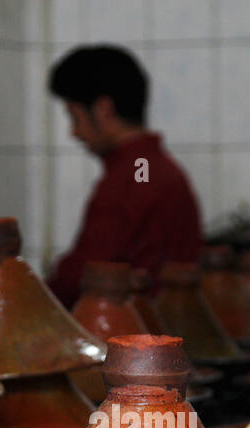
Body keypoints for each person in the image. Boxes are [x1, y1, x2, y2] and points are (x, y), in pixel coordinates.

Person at [45, 45, 203, 307]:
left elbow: (82, 279)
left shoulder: (126, 181)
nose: (74, 132)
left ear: (104, 110)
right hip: (171, 332)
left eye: (75, 117)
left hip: (133, 337)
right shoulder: (166, 169)